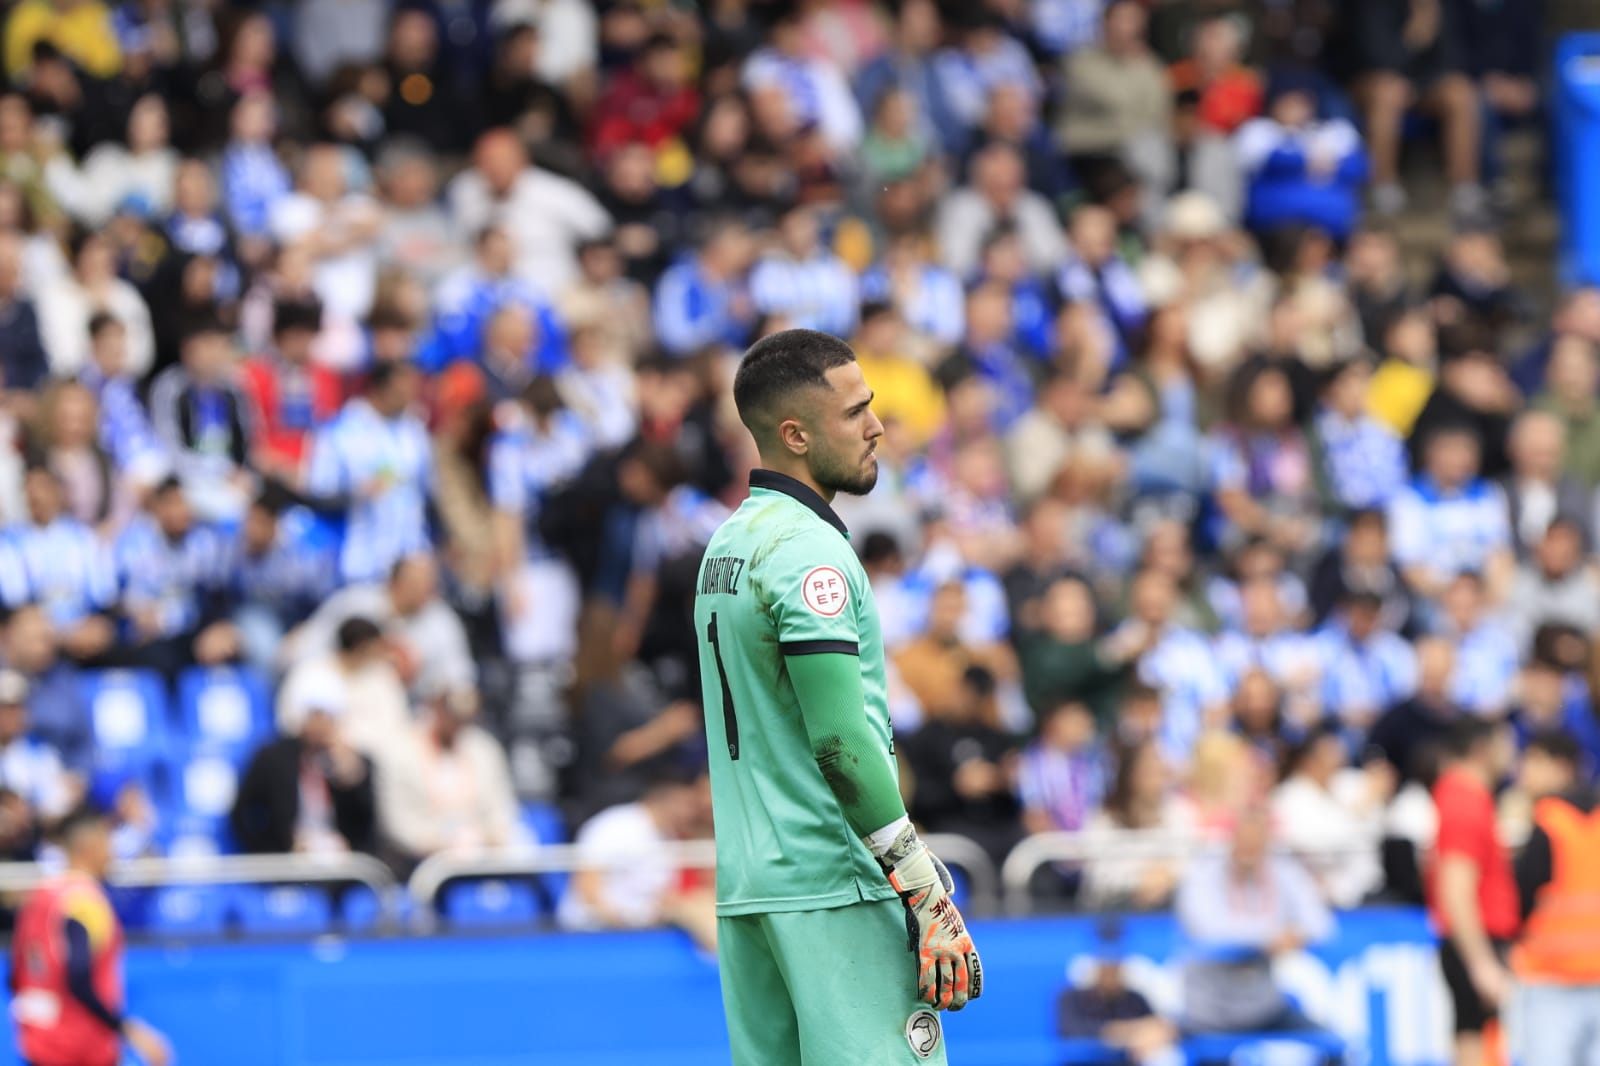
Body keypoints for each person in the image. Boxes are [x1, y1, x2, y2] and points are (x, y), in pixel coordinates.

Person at [693, 329, 982, 1065]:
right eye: (855, 412)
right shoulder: (809, 551)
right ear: (795, 434)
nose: (877, 427)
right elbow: (839, 741)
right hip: (836, 883)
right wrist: (920, 884)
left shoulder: (728, 546)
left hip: (753, 888)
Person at [10, 808, 169, 1066]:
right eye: (108, 841)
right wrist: (129, 1029)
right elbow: (79, 978)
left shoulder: (38, 897)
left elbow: (16, 975)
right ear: (90, 845)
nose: (113, 852)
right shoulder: (85, 903)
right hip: (80, 1046)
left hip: (36, 1041)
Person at [1175, 807, 1336, 1041]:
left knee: (1330, 1045)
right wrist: (1268, 939)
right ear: (1231, 839)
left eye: (1257, 842)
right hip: (1210, 1011)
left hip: (1263, 1006)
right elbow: (1206, 930)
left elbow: (1322, 925)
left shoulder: (1282, 869)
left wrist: (1296, 935)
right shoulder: (1203, 871)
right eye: (1243, 840)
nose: (1249, 849)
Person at [1427, 715, 1518, 1066]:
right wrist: (1481, 963)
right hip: (1478, 939)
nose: (1512, 753)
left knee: (1473, 1037)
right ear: (1483, 750)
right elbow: (1456, 889)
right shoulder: (1464, 802)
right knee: (1477, 1042)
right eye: (1505, 743)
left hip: (1477, 939)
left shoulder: (1466, 798)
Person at [1510, 731, 1600, 1066]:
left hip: (1551, 977)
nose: (1524, 773)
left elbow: (1521, 898)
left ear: (1562, 767)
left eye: (1534, 762)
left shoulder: (1549, 822)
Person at [557, 768, 715, 949]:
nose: (693, 812)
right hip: (597, 929)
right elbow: (588, 889)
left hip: (646, 922)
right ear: (670, 800)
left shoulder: (668, 835)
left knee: (703, 902)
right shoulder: (615, 825)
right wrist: (625, 919)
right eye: (688, 804)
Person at [376, 683, 519, 870]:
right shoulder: (399, 752)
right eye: (452, 713)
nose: (457, 723)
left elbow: (502, 809)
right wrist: (442, 844)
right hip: (419, 863)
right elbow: (397, 823)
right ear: (435, 707)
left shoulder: (484, 749)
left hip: (482, 855)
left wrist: (483, 838)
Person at [231, 686, 376, 856]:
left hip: (342, 866)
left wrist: (350, 778)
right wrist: (272, 850)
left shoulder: (354, 760)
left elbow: (366, 824)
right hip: (288, 863)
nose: (321, 724)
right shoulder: (274, 757)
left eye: (328, 716)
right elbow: (243, 812)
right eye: (315, 715)